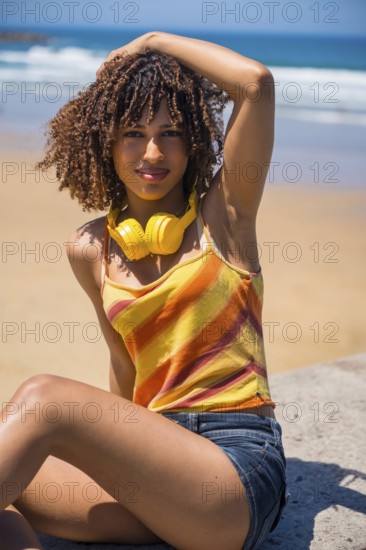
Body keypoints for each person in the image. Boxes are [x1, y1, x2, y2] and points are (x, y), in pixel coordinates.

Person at [0, 32, 288, 550]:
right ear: (105, 142)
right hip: (156, 478)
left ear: (193, 143)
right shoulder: (90, 248)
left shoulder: (225, 217)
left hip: (232, 476)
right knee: (7, 432)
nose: (151, 152)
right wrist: (115, 451)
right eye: (133, 132)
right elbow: (124, 366)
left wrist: (152, 41)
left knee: (41, 398)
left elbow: (255, 84)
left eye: (170, 133)